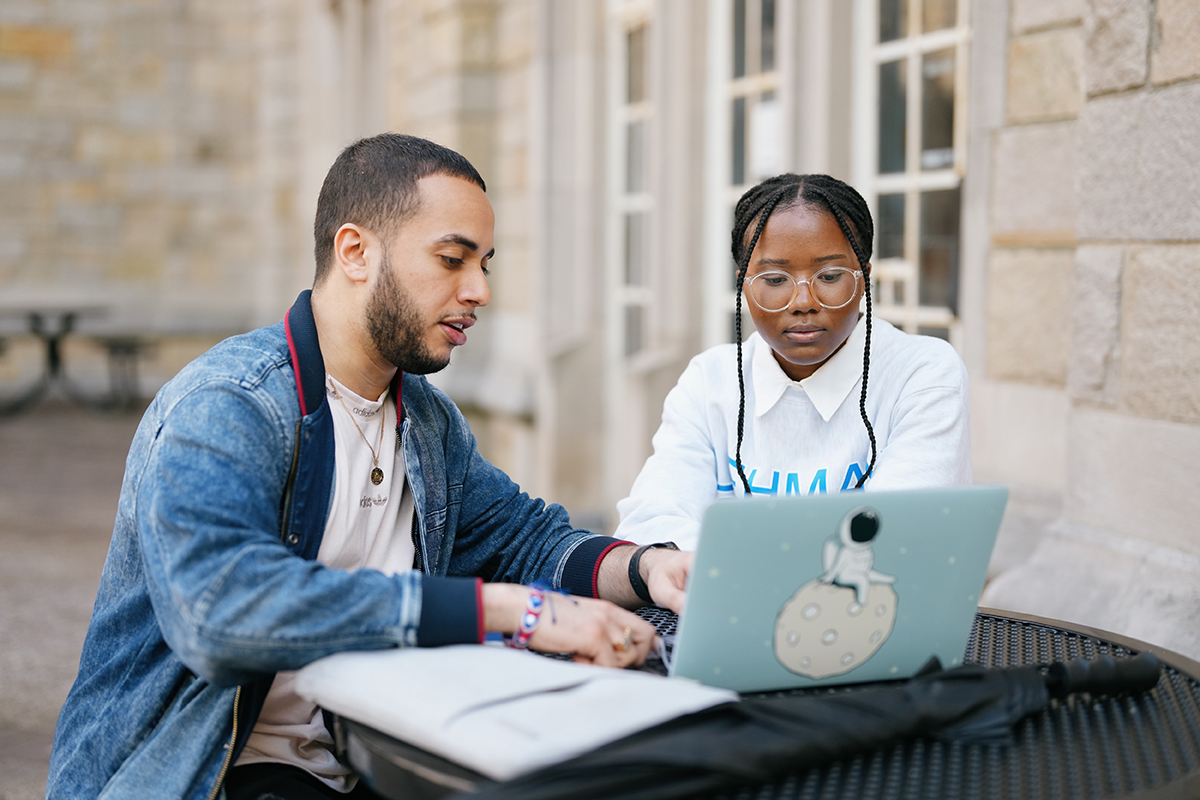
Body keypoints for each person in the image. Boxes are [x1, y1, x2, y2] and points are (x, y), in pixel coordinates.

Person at [46, 134, 691, 800]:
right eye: (452, 259)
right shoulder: (227, 406)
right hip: (207, 774)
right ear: (355, 251)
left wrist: (649, 568)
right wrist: (510, 612)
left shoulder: (427, 421)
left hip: (373, 759)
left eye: (485, 264)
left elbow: (525, 540)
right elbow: (220, 611)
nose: (480, 290)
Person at [614, 173, 971, 550]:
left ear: (864, 277)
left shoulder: (923, 374)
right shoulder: (709, 381)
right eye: (774, 278)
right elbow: (650, 527)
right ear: (744, 285)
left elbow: (899, 538)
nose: (803, 301)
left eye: (830, 275)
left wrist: (727, 555)